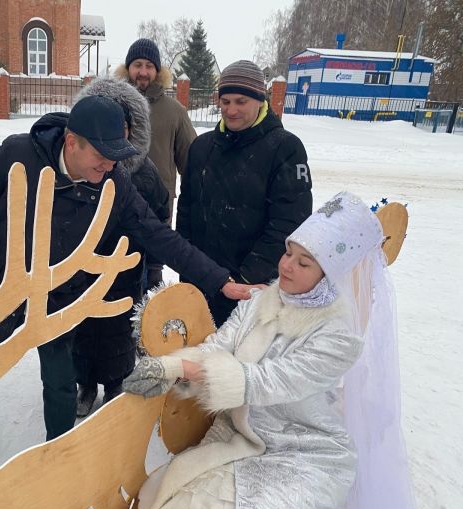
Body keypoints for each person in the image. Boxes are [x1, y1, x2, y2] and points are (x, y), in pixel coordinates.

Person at [0, 95, 260, 441]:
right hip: (0, 284)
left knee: (60, 381)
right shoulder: (17, 154)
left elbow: (158, 235)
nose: (109, 167)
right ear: (72, 142)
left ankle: (59, 448)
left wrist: (222, 282)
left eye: (115, 158)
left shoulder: (113, 181)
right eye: (101, 157)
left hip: (58, 298)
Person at [124, 192, 420, 509]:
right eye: (288, 252)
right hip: (237, 435)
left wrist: (187, 371)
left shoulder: (338, 337)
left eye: (304, 263)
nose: (287, 266)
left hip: (303, 449)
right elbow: (220, 346)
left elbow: (271, 381)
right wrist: (172, 367)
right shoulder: (260, 302)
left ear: (328, 275)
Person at [177, 60, 313, 327]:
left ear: (260, 100)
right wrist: (191, 269)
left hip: (252, 290)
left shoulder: (285, 148)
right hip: (201, 282)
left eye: (241, 101)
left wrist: (244, 280)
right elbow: (186, 211)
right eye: (225, 101)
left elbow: (289, 223)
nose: (231, 110)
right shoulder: (201, 147)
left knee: (238, 366)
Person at [70, 77, 170, 416]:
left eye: (125, 127)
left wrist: (154, 266)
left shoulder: (144, 174)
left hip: (126, 270)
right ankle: (85, 384)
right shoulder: (79, 169)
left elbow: (160, 218)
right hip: (81, 270)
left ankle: (115, 384)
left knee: (118, 333)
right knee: (82, 332)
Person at [115, 38, 197, 285]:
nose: (143, 71)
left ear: (158, 72)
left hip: (157, 212)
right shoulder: (113, 105)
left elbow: (191, 163)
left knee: (150, 285)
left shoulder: (174, 111)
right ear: (128, 68)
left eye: (149, 66)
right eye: (137, 64)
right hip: (115, 204)